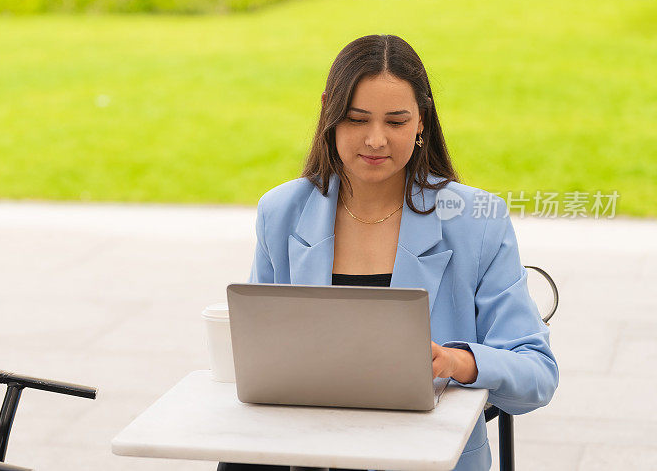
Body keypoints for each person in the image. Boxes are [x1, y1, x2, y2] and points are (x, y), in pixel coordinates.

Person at [217, 34, 558, 471]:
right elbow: (260, 358)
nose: (376, 140)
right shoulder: (282, 212)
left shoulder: (476, 220)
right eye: (357, 119)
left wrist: (457, 362)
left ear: (421, 122)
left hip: (424, 458)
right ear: (328, 111)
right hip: (303, 452)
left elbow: (538, 373)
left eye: (396, 122)